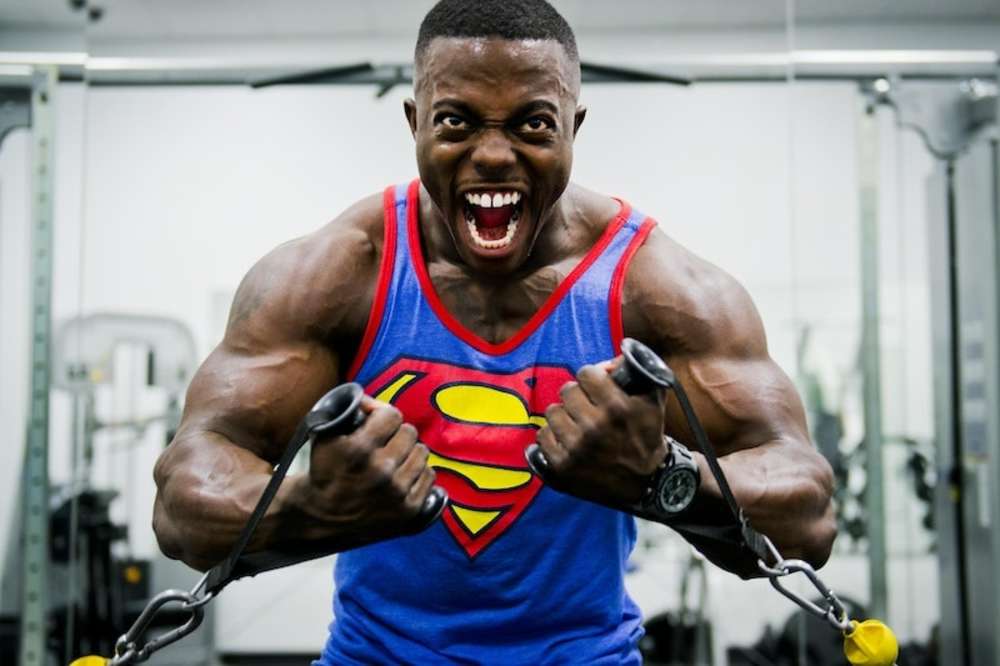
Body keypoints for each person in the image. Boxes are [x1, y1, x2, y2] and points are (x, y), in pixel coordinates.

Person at [152, 1, 836, 663]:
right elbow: (184, 505)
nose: (493, 156)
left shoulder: (659, 289)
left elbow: (807, 515)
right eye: (456, 122)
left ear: (575, 125)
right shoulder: (336, 275)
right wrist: (315, 509)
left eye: (533, 125)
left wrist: (660, 478)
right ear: (414, 122)